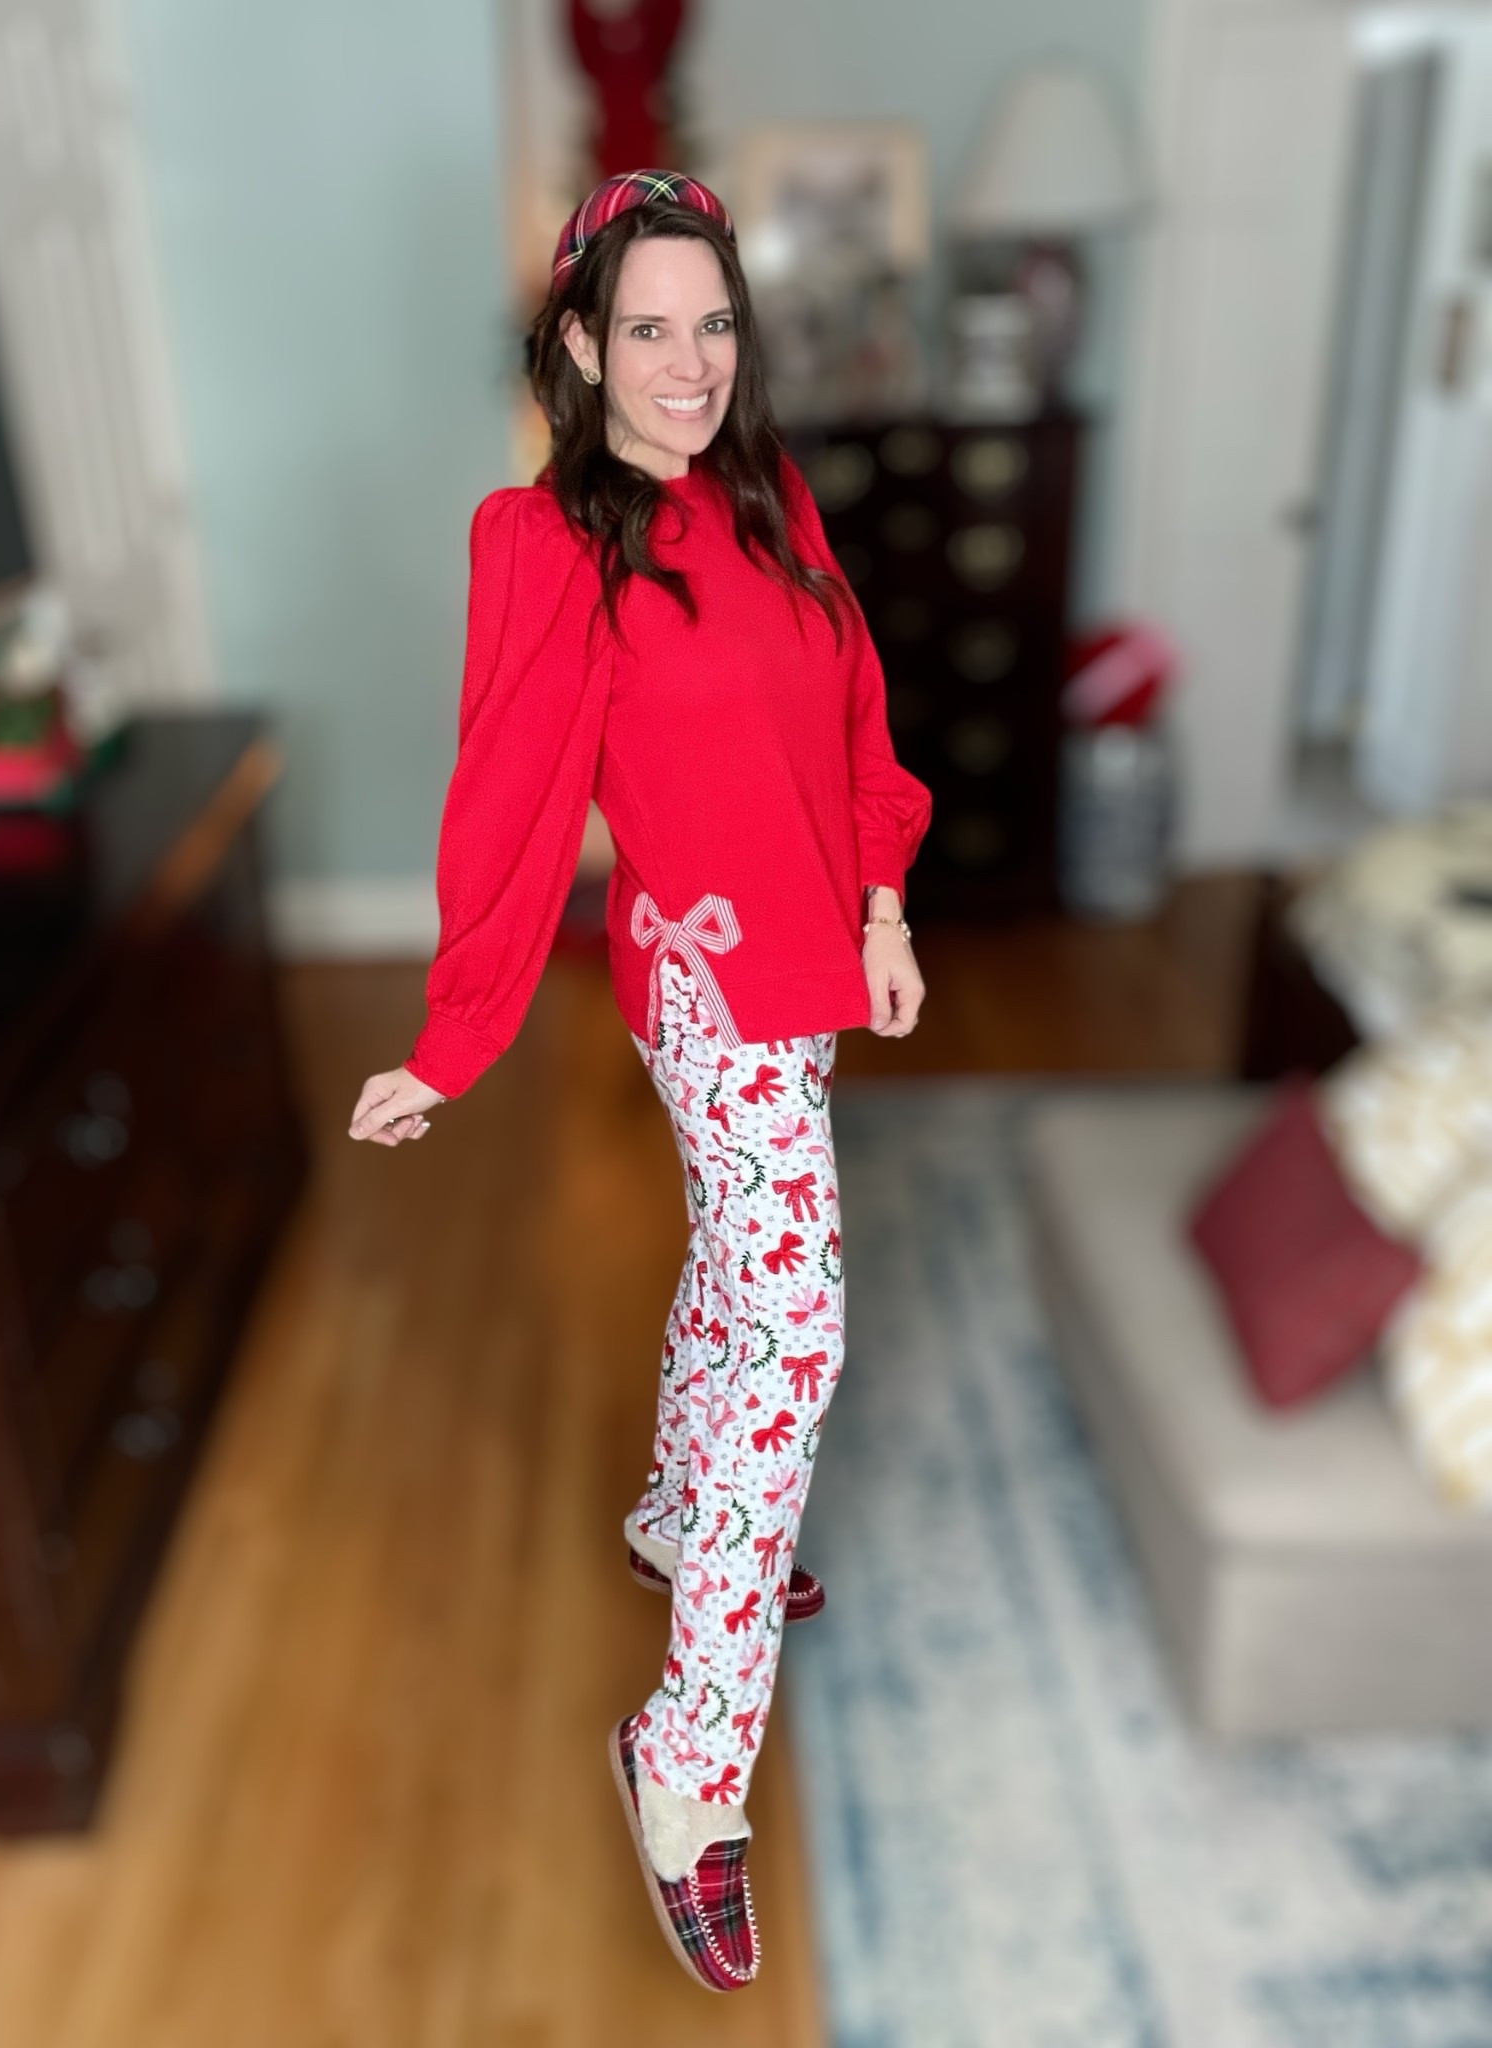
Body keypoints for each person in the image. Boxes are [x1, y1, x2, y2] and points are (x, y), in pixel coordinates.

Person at [347, 167, 931, 1993]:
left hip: (813, 962)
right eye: (650, 330)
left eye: (715, 324)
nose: (691, 365)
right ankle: (684, 1768)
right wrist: (456, 1033)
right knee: (800, 1327)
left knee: (744, 1268)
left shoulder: (770, 497)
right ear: (584, 347)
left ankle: (687, 1516)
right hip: (708, 981)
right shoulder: (547, 544)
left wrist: (884, 899)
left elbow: (854, 711)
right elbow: (511, 799)